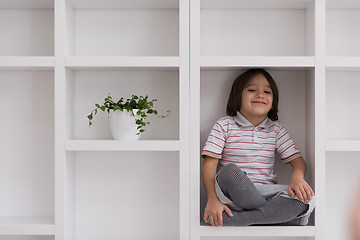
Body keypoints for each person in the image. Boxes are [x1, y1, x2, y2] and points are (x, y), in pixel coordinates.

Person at [202, 69, 315, 227]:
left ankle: (240, 220)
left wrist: (297, 177)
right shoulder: (225, 125)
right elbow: (209, 165)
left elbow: (298, 162)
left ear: (273, 100)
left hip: (266, 193)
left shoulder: (276, 130)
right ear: (238, 95)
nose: (260, 95)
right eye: (252, 90)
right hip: (232, 196)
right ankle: (274, 217)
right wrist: (212, 200)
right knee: (229, 171)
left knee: (307, 199)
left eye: (267, 91)